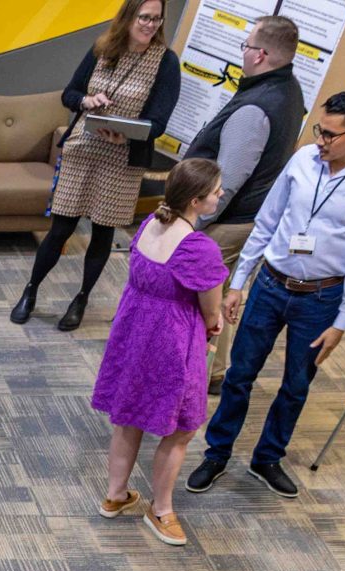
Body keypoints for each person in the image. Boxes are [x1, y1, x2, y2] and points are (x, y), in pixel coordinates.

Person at [187, 90, 345, 500]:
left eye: (330, 135)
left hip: (321, 298)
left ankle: (267, 458)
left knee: (296, 384)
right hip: (270, 285)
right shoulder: (303, 160)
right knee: (240, 375)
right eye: (319, 130)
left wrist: (342, 322)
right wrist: (239, 281)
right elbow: (267, 222)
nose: (320, 140)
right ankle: (217, 453)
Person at [12, 0, 181, 332]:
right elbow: (69, 94)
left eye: (157, 19)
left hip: (122, 159)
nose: (150, 25)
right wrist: (87, 101)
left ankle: (81, 299)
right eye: (144, 17)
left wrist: (126, 134)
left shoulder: (165, 62)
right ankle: (30, 291)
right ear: (128, 17)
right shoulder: (102, 48)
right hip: (83, 150)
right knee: (60, 229)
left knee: (102, 234)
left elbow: (158, 122)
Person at [91, 158, 229, 547]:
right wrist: (214, 325)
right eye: (216, 191)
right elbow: (211, 310)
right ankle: (161, 509)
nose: (221, 194)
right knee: (182, 427)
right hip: (172, 341)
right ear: (196, 201)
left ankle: (115, 494)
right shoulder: (199, 248)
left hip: (133, 333)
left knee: (128, 416)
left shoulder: (150, 223)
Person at [178, 15, 305, 271]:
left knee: (192, 291)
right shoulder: (289, 87)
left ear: (260, 55)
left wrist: (188, 225)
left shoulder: (255, 108)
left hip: (221, 224)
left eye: (246, 46)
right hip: (239, 217)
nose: (244, 52)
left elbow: (227, 182)